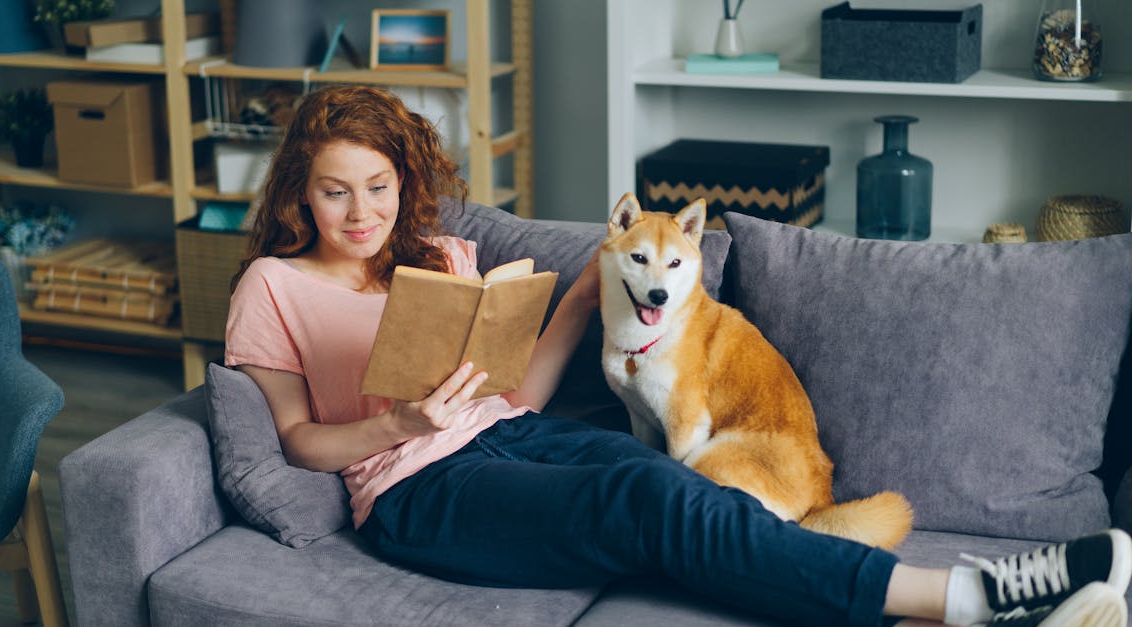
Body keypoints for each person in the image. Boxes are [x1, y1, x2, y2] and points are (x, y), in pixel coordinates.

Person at [224, 84, 1131, 627]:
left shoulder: (443, 256)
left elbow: (516, 396)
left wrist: (581, 297)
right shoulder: (272, 283)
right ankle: (976, 594)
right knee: (644, 491)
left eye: (378, 186)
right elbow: (298, 439)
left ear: (404, 181)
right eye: (336, 191)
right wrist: (397, 422)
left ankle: (932, 610)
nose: (361, 212)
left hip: (505, 436)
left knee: (668, 481)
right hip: (414, 490)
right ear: (302, 194)